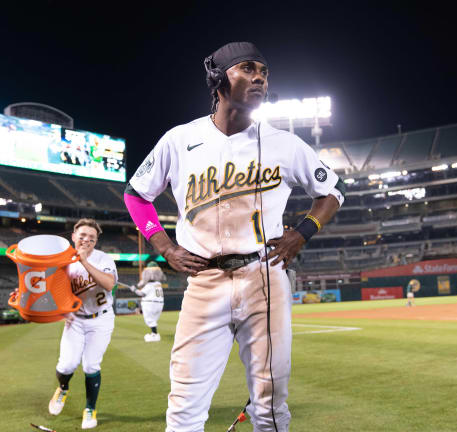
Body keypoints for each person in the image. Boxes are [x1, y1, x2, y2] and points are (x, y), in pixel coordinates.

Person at [125, 41, 344, 432]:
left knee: (271, 405)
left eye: (264, 72)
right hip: (204, 280)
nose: (259, 76)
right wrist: (163, 246)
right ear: (217, 78)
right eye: (247, 68)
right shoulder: (179, 140)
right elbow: (136, 195)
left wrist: (302, 233)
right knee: (184, 406)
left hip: (263, 277)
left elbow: (332, 192)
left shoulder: (284, 143)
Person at [47, 218, 119, 429]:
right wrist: (62, 311)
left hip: (102, 319)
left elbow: (108, 284)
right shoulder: (62, 261)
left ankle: (90, 409)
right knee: (67, 364)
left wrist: (85, 261)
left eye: (92, 238)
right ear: (73, 237)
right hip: (76, 320)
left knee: (90, 365)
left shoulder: (103, 258)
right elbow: (53, 291)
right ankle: (62, 388)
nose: (87, 240)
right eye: (82, 236)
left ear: (96, 241)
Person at [129, 261, 166, 342]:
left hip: (150, 303)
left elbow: (141, 293)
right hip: (159, 304)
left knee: (149, 320)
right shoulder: (158, 284)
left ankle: (154, 335)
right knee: (153, 319)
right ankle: (155, 334)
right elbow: (142, 283)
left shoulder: (149, 285)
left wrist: (134, 289)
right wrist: (137, 286)